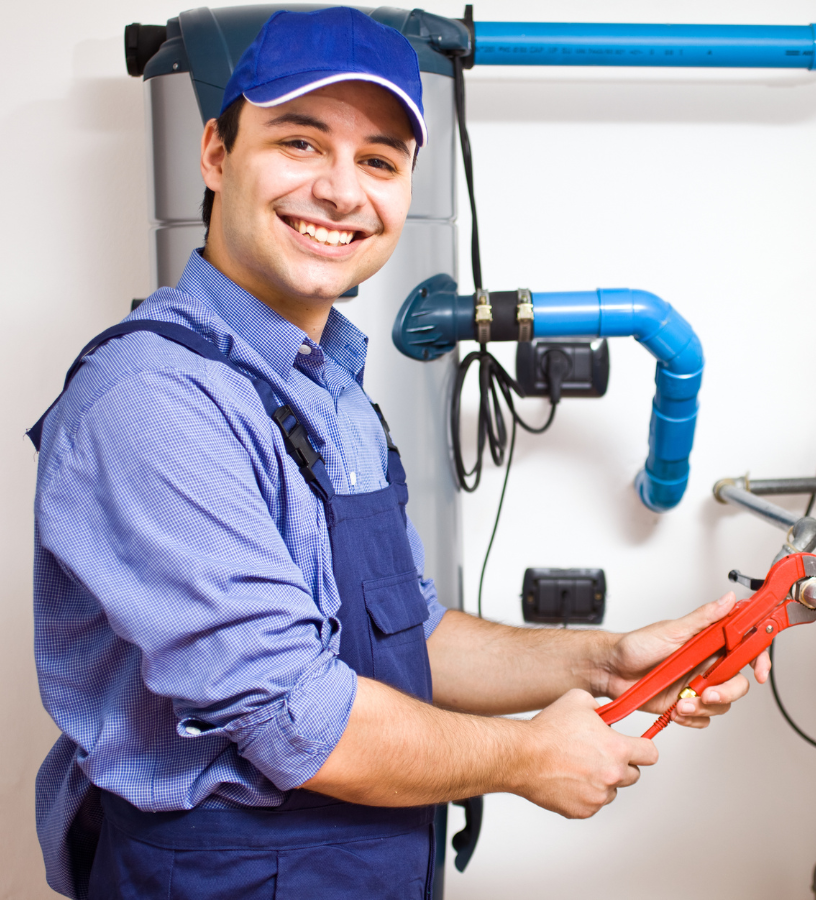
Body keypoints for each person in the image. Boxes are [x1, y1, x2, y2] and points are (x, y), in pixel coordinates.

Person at [30, 8, 769, 899]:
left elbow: (407, 635)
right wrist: (528, 755)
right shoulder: (153, 401)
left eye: (379, 160)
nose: (343, 192)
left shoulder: (330, 387)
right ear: (218, 156)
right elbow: (293, 715)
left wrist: (607, 662)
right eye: (300, 143)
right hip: (223, 877)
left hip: (363, 862)